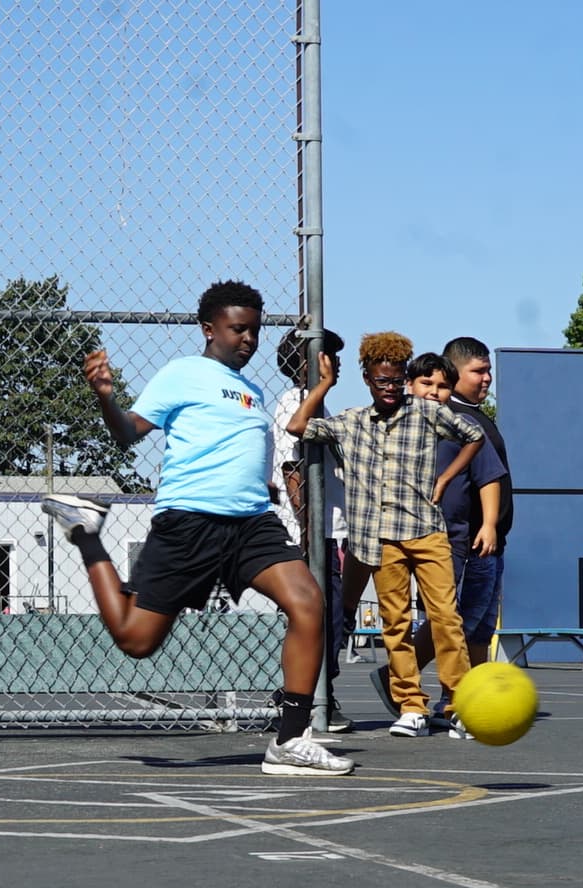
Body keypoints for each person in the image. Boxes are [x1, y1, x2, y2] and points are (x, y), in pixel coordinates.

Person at [40, 280, 351, 777]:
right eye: (237, 330)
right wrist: (104, 397)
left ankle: (292, 739)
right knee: (135, 640)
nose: (247, 339)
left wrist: (317, 396)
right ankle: (85, 532)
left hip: (251, 523)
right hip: (191, 522)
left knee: (308, 602)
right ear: (209, 329)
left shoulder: (252, 391)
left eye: (253, 331)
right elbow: (128, 434)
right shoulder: (182, 374)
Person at [288, 331, 484, 738]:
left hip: (426, 532)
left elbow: (474, 436)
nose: (391, 389)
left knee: (445, 617)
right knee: (394, 623)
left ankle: (459, 701)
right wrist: (324, 385)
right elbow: (298, 426)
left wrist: (446, 477)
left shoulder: (427, 413)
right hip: (381, 537)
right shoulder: (352, 422)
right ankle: (411, 705)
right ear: (367, 378)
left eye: (397, 381)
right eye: (383, 381)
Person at [394, 351, 505, 721]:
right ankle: (406, 694)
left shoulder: (464, 427)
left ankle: (457, 697)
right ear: (409, 385)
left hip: (452, 540)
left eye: (442, 386)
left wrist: (489, 523)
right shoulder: (392, 425)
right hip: (401, 538)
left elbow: (489, 477)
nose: (434, 391)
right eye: (427, 383)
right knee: (404, 620)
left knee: (453, 620)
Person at [270, 323, 358, 733]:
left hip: (331, 531)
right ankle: (311, 696)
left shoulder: (316, 403)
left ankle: (315, 693)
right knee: (323, 618)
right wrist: (307, 529)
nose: (336, 362)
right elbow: (293, 468)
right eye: (329, 354)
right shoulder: (296, 401)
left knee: (334, 618)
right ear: (308, 362)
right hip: (313, 535)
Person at [441, 336, 513, 658]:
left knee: (482, 628)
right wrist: (485, 525)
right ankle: (400, 678)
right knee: (461, 624)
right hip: (471, 543)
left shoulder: (479, 415)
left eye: (488, 370)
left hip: (492, 542)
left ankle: (473, 697)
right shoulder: (455, 418)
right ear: (454, 374)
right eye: (478, 371)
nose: (486, 378)